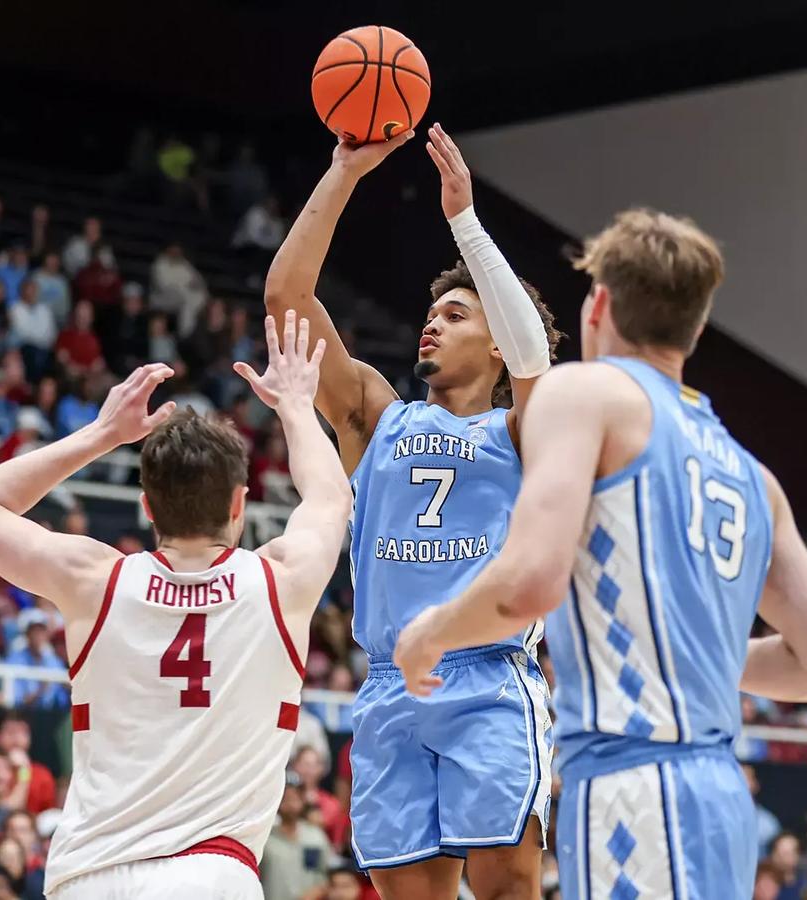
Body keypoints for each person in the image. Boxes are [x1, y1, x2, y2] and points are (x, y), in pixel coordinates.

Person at [392, 206, 807, 900]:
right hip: (723, 798)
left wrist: (429, 633)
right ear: (697, 328)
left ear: (600, 304)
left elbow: (528, 585)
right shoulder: (750, 475)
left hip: (633, 785)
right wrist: (684, 654)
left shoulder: (584, 393)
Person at [0, 312, 351, 899]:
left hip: (91, 873)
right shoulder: (282, 581)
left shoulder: (95, 580)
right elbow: (331, 495)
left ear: (147, 507)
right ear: (240, 504)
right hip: (212, 876)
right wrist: (293, 404)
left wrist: (103, 433)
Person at [265, 124, 563, 896]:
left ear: (498, 344)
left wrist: (465, 219)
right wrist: (341, 173)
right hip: (390, 684)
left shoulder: (526, 430)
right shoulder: (374, 414)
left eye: (459, 315)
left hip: (487, 678)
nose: (433, 320)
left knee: (506, 886)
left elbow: (536, 359)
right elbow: (287, 298)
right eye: (435, 311)